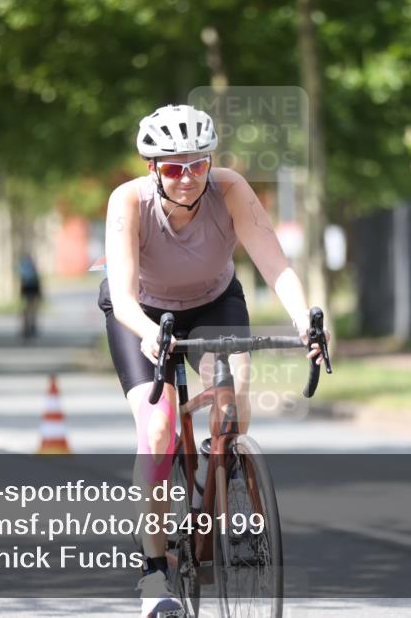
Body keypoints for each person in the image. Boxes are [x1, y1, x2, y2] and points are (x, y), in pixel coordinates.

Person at [98, 105, 327, 618]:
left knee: (233, 409)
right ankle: (154, 573)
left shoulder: (230, 190)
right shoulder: (128, 202)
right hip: (142, 310)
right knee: (157, 431)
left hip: (214, 299)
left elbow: (277, 264)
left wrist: (305, 320)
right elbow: (125, 294)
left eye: (196, 165)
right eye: (173, 168)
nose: (186, 178)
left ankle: (216, 483)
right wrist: (148, 335)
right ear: (153, 168)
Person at [18, 252, 42, 339]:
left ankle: (27, 326)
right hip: (32, 288)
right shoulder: (31, 266)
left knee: (27, 308)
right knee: (31, 308)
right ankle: (30, 325)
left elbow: (22, 279)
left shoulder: (23, 265)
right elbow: (37, 279)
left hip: (26, 288)